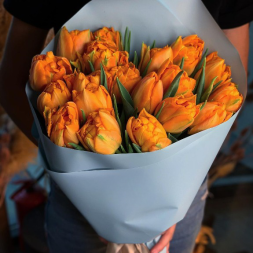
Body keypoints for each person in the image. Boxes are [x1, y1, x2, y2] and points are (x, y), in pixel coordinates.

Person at [0, 0, 252, 252]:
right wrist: (84, 180)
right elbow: (11, 82)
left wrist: (172, 197)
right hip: (78, 200)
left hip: (181, 199)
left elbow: (229, 96)